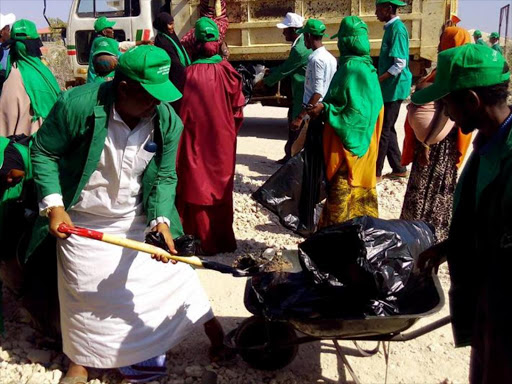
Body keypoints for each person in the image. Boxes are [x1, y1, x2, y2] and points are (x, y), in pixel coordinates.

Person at [29, 45, 225, 384]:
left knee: (175, 277)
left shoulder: (165, 119)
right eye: (148, 96)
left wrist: (160, 221)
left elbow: (165, 176)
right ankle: (81, 360)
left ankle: (211, 337)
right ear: (123, 88)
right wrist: (55, 206)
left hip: (136, 218)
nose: (155, 104)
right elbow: (43, 151)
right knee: (85, 297)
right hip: (84, 221)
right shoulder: (78, 106)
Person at [415, 44, 512, 383]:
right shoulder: (488, 142)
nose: (446, 111)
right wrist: (447, 248)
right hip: (491, 295)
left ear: (471, 100)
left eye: (447, 102)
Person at [176, 18, 245, 255]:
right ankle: (222, 239)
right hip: (222, 141)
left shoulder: (187, 74)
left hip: (194, 140)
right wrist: (228, 132)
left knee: (195, 183)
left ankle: (198, 240)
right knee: (220, 187)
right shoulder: (229, 72)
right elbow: (238, 110)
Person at [307, 16, 384, 226]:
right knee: (360, 198)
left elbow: (352, 114)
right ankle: (361, 236)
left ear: (347, 41)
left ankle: (334, 244)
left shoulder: (351, 68)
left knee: (340, 197)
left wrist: (325, 108)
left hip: (348, 149)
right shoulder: (368, 67)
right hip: (367, 144)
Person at [400, 26, 472, 241]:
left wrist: (426, 143)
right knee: (431, 186)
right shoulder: (446, 70)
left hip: (437, 143)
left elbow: (443, 112)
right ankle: (424, 231)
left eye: (444, 41)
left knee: (430, 187)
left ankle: (423, 233)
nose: (439, 45)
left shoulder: (452, 74)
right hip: (434, 140)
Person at [256, 12, 311, 164]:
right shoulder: (299, 44)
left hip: (302, 91)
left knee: (296, 122)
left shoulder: (300, 49)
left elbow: (285, 70)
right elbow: (288, 67)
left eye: (285, 29)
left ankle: (293, 159)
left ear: (294, 30)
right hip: (299, 89)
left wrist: (265, 82)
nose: (283, 32)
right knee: (292, 120)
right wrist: (270, 71)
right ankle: (290, 155)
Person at [0, 19, 60, 137]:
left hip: (22, 150)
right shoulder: (45, 74)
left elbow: (4, 126)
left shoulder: (13, 78)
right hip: (48, 144)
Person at [375, 0, 412, 180]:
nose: (375, 13)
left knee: (384, 130)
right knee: (388, 128)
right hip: (390, 87)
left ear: (388, 9)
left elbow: (399, 64)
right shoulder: (390, 28)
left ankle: (376, 173)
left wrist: (378, 79)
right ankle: (399, 168)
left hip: (395, 87)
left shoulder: (397, 29)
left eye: (378, 9)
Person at [291, 19, 337, 131]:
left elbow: (318, 92)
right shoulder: (330, 57)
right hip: (324, 109)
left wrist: (300, 117)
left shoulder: (315, 59)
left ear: (309, 36)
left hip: (315, 113)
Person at [153, 12, 191, 103]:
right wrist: (188, 73)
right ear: (163, 25)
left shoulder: (171, 36)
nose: (173, 26)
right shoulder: (161, 40)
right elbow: (174, 62)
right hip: (174, 79)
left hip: (181, 75)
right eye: (170, 24)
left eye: (173, 23)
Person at [87, 17, 120, 84]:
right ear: (104, 32)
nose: (113, 30)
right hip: (99, 82)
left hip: (92, 80)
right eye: (110, 28)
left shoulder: (97, 40)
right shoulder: (103, 41)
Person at [0, 12, 16, 87]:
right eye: (8, 30)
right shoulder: (1, 51)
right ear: (1, 32)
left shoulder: (7, 48)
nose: (10, 33)